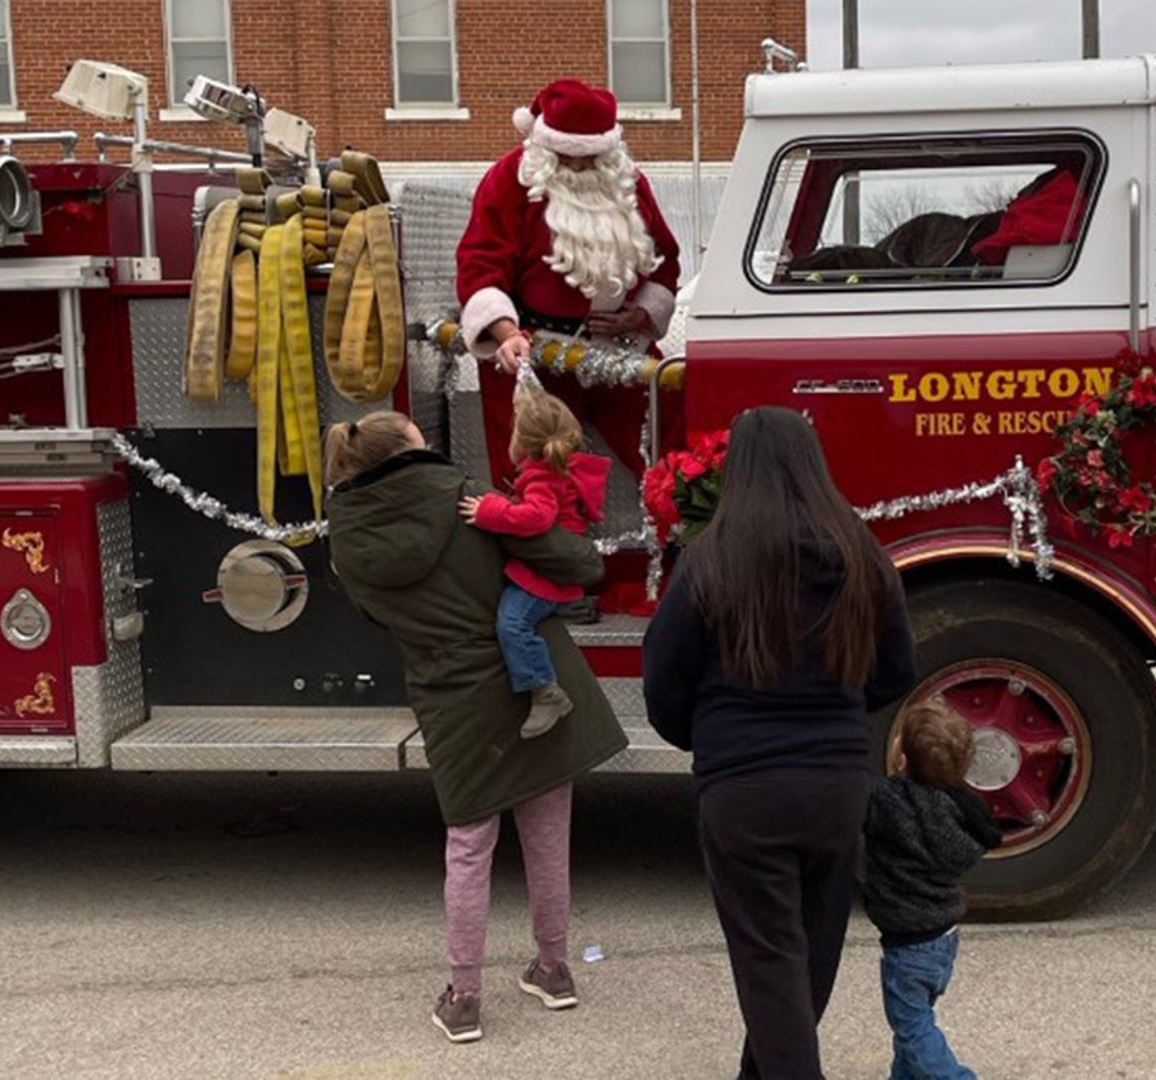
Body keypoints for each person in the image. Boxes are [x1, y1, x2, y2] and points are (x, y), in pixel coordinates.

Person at [324, 412, 628, 1045]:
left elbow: (376, 616)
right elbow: (577, 564)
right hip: (534, 687)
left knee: (467, 847)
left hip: (450, 694)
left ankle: (463, 1000)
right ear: (411, 450)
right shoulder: (468, 498)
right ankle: (553, 969)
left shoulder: (347, 541)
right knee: (548, 833)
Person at [643, 406, 918, 1080]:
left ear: (736, 469)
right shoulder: (860, 553)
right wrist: (841, 715)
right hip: (835, 785)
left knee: (771, 963)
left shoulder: (709, 559)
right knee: (808, 960)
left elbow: (662, 682)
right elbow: (897, 671)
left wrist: (707, 740)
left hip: (741, 788)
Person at [456, 77, 683, 486]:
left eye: (591, 157)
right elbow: (480, 263)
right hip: (536, 349)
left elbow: (665, 261)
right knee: (532, 475)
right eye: (566, 157)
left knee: (672, 449)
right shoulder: (510, 179)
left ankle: (674, 542)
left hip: (619, 348)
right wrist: (506, 334)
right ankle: (537, 546)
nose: (578, 167)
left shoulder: (628, 182)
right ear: (544, 147)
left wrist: (640, 316)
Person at [862, 698, 1004, 1080]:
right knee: (915, 1022)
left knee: (912, 1029)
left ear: (903, 760)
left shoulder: (891, 805)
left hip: (908, 946)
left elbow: (861, 796)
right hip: (942, 938)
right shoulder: (961, 816)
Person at [459, 384, 610, 738]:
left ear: (524, 442)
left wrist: (489, 510)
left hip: (543, 576)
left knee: (512, 624)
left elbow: (536, 519)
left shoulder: (542, 474)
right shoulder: (560, 468)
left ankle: (545, 692)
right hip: (553, 569)